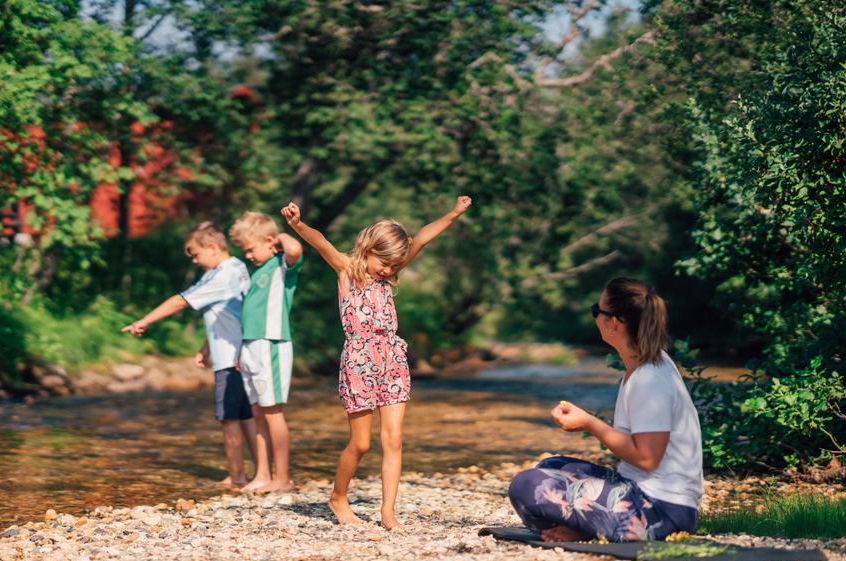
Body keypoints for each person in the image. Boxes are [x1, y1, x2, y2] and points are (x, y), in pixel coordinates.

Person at [280, 196, 473, 530]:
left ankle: (388, 513)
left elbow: (424, 237)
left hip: (392, 357)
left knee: (394, 439)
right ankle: (338, 497)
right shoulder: (346, 270)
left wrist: (454, 214)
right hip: (358, 360)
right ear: (367, 248)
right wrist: (297, 225)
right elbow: (321, 242)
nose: (389, 270)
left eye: (395, 266)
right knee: (361, 443)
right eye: (384, 262)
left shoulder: (389, 274)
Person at [508, 277, 703, 542]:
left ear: (615, 322)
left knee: (527, 485)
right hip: (640, 492)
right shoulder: (643, 365)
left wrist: (590, 423)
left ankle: (587, 531)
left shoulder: (650, 379)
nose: (595, 316)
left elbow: (647, 458)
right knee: (551, 466)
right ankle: (585, 529)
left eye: (596, 310)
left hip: (662, 513)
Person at [121, 222, 257, 488]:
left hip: (230, 360)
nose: (195, 261)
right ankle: (262, 473)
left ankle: (237, 476)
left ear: (214, 248)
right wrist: (206, 346)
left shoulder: (221, 275)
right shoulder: (237, 268)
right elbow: (228, 314)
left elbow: (179, 301)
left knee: (229, 418)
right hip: (240, 354)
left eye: (196, 255)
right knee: (247, 416)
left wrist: (144, 321)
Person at [228, 212, 304, 494]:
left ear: (270, 242)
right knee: (259, 411)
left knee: (273, 412)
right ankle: (262, 474)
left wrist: (279, 238)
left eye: (251, 248)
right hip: (251, 346)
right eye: (244, 250)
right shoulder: (257, 271)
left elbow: (295, 248)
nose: (247, 255)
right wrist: (242, 351)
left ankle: (282, 477)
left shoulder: (281, 265)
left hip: (272, 343)